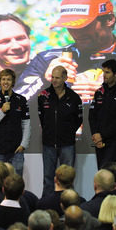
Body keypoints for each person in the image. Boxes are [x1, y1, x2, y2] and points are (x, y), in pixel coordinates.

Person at [14, 0, 116, 138]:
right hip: (56, 151)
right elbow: (13, 110)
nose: (76, 33)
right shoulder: (47, 60)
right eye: (70, 27)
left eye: (84, 26)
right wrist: (44, 80)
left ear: (109, 20)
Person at [38, 65, 83, 195]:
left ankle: (68, 204)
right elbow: (42, 118)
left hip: (67, 144)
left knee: (67, 178)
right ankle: (47, 204)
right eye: (52, 77)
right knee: (48, 178)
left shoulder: (74, 97)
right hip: (48, 143)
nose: (54, 80)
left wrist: (67, 132)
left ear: (65, 78)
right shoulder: (43, 96)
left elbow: (78, 120)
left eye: (57, 77)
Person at [0, 69, 30, 176]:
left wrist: (24, 144)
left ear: (13, 82)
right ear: (0, 81)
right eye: (3, 79)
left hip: (16, 150)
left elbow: (26, 124)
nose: (6, 82)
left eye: (9, 79)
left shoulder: (21, 100)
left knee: (15, 184)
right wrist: (2, 111)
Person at [89, 59, 116, 167]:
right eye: (103, 72)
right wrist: (95, 134)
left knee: (105, 170)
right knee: (101, 172)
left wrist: (102, 135)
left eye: (107, 72)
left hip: (114, 140)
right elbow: (91, 115)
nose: (104, 75)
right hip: (99, 139)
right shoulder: (99, 92)